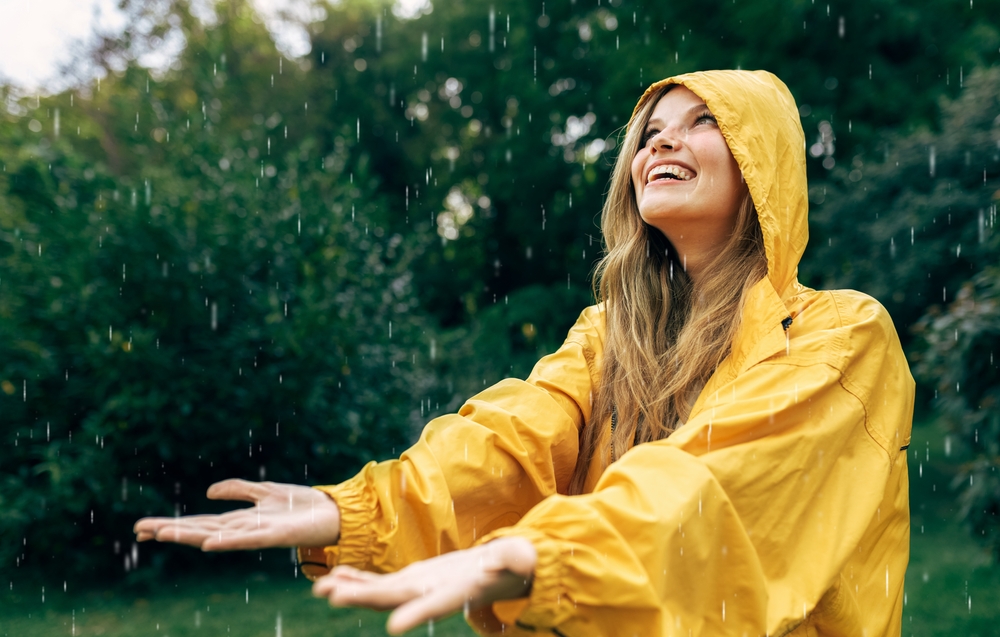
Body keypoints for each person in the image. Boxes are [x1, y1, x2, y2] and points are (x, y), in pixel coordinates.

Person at [135, 69, 914, 636]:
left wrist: (547, 554)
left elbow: (717, 488)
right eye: (650, 132)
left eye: (704, 120)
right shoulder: (610, 334)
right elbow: (512, 438)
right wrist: (357, 510)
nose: (663, 140)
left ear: (764, 164)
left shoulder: (841, 336)